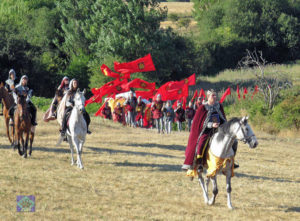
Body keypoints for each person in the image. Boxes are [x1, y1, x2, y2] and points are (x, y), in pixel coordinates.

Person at [182, 89, 227, 171]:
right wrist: (211, 125)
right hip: (206, 130)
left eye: (215, 95)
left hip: (219, 129)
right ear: (208, 97)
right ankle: (199, 163)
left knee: (230, 141)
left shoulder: (219, 106)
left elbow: (223, 118)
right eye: (213, 95)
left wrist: (222, 125)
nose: (215, 97)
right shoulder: (203, 108)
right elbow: (199, 123)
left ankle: (229, 161)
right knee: (201, 143)